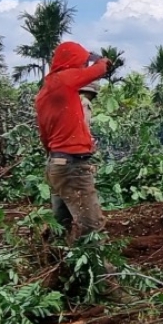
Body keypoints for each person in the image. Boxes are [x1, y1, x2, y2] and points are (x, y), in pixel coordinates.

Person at [35, 42, 111, 244]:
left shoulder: (44, 92)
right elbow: (99, 69)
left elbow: (45, 136)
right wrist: (103, 61)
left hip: (57, 164)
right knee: (91, 227)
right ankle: (102, 274)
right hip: (71, 166)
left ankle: (54, 264)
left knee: (61, 223)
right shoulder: (63, 80)